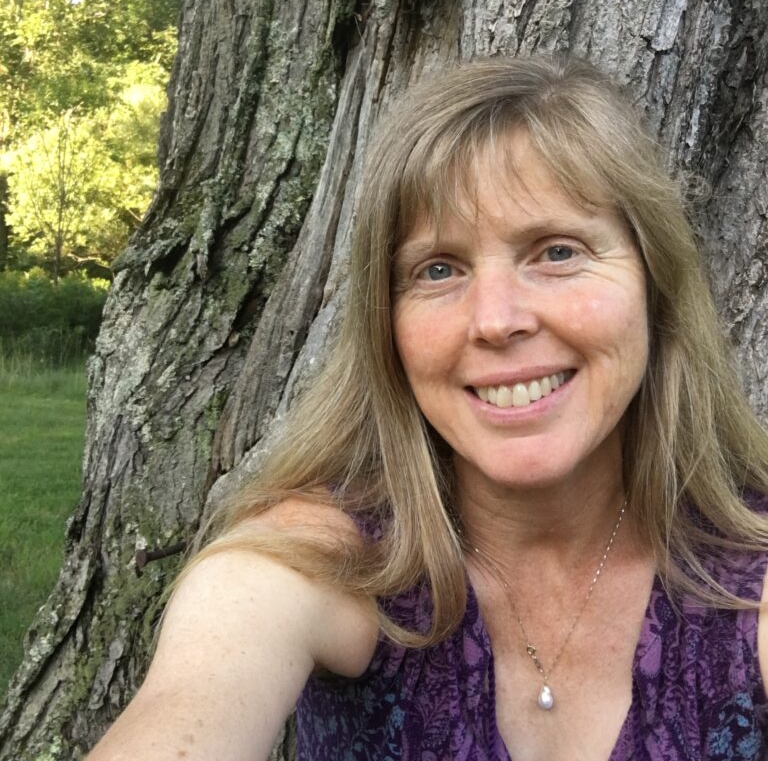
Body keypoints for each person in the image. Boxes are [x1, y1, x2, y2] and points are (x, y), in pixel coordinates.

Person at [88, 56, 768, 761]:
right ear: (387, 325)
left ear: (653, 286)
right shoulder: (319, 564)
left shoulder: (750, 574)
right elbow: (204, 682)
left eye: (557, 252)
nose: (496, 320)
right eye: (437, 269)